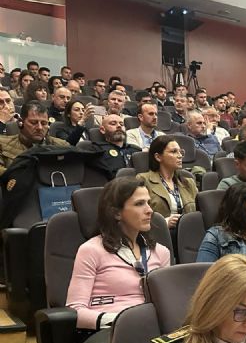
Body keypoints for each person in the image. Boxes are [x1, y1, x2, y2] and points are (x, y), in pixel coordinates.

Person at [67, 177, 171, 331]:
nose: (149, 210)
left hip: (154, 331)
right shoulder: (91, 250)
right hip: (111, 333)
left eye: (148, 202)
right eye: (139, 204)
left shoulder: (161, 252)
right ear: (116, 213)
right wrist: (124, 322)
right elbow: (75, 310)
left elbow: (167, 303)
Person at [137, 135, 197, 232]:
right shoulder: (144, 180)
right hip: (158, 234)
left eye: (180, 152)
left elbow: (198, 213)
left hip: (188, 234)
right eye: (174, 152)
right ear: (158, 157)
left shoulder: (188, 182)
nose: (180, 155)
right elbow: (138, 214)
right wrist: (164, 222)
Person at [0, 100, 67, 175]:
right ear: (20, 123)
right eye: (33, 123)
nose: (40, 128)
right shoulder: (2, 144)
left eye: (44, 123)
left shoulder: (62, 146)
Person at [88, 114, 141, 180]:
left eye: (121, 124)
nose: (119, 126)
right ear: (102, 130)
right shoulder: (97, 149)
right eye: (113, 124)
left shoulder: (135, 149)